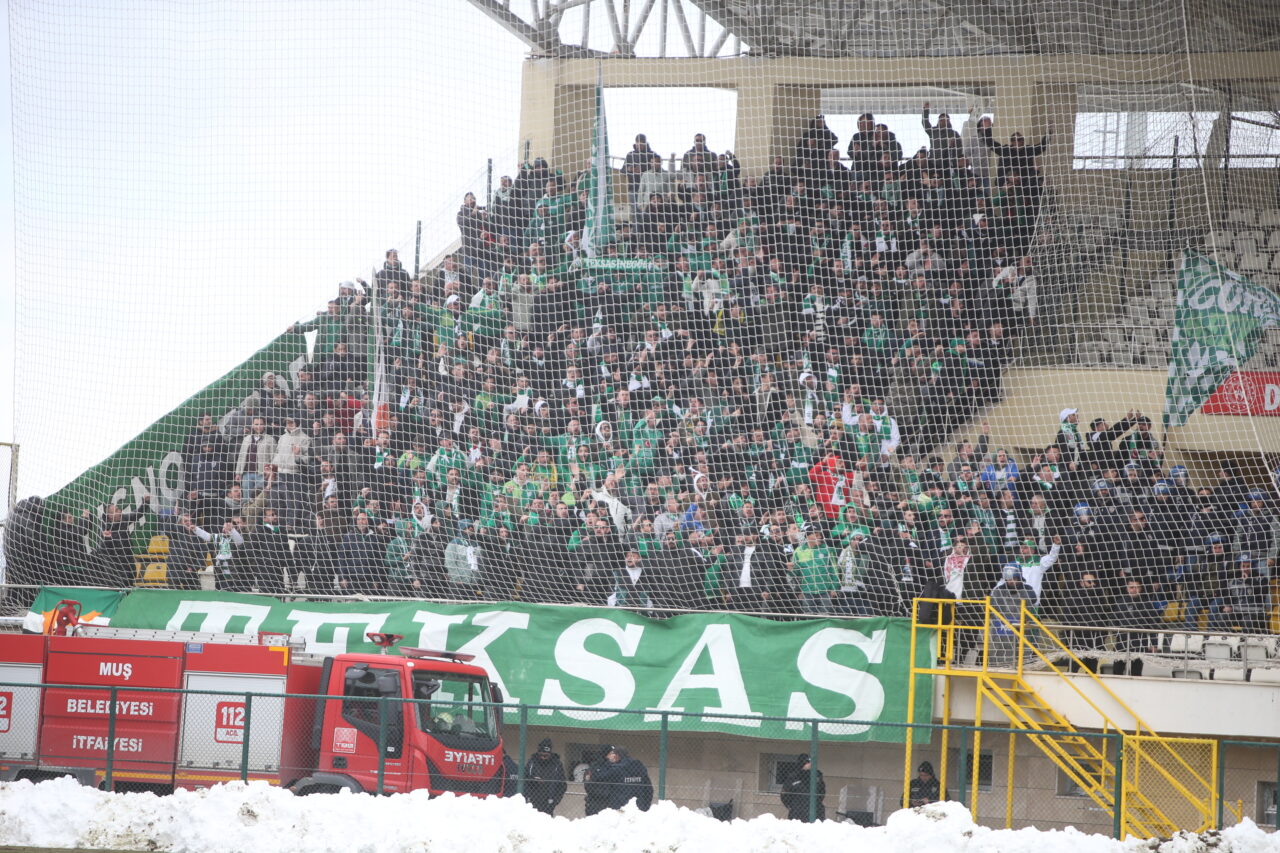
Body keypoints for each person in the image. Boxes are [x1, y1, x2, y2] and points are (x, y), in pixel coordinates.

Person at [589, 744, 654, 812]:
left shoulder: (617, 768)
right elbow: (649, 788)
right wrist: (646, 804)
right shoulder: (639, 767)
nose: (611, 756)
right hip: (640, 806)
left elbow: (600, 776)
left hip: (621, 808)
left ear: (617, 756)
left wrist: (601, 765)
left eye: (613, 754)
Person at [523, 738, 567, 815]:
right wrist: (533, 780)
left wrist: (555, 800)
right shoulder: (532, 762)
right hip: (533, 799)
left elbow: (562, 784)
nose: (543, 758)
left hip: (549, 801)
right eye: (541, 755)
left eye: (546, 756)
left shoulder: (557, 764)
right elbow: (524, 779)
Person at [780, 753, 826, 821]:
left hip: (816, 812)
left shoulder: (817, 776)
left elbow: (822, 792)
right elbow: (785, 795)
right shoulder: (793, 777)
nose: (810, 764)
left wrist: (817, 803)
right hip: (798, 813)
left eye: (810, 762)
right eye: (807, 762)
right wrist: (793, 806)